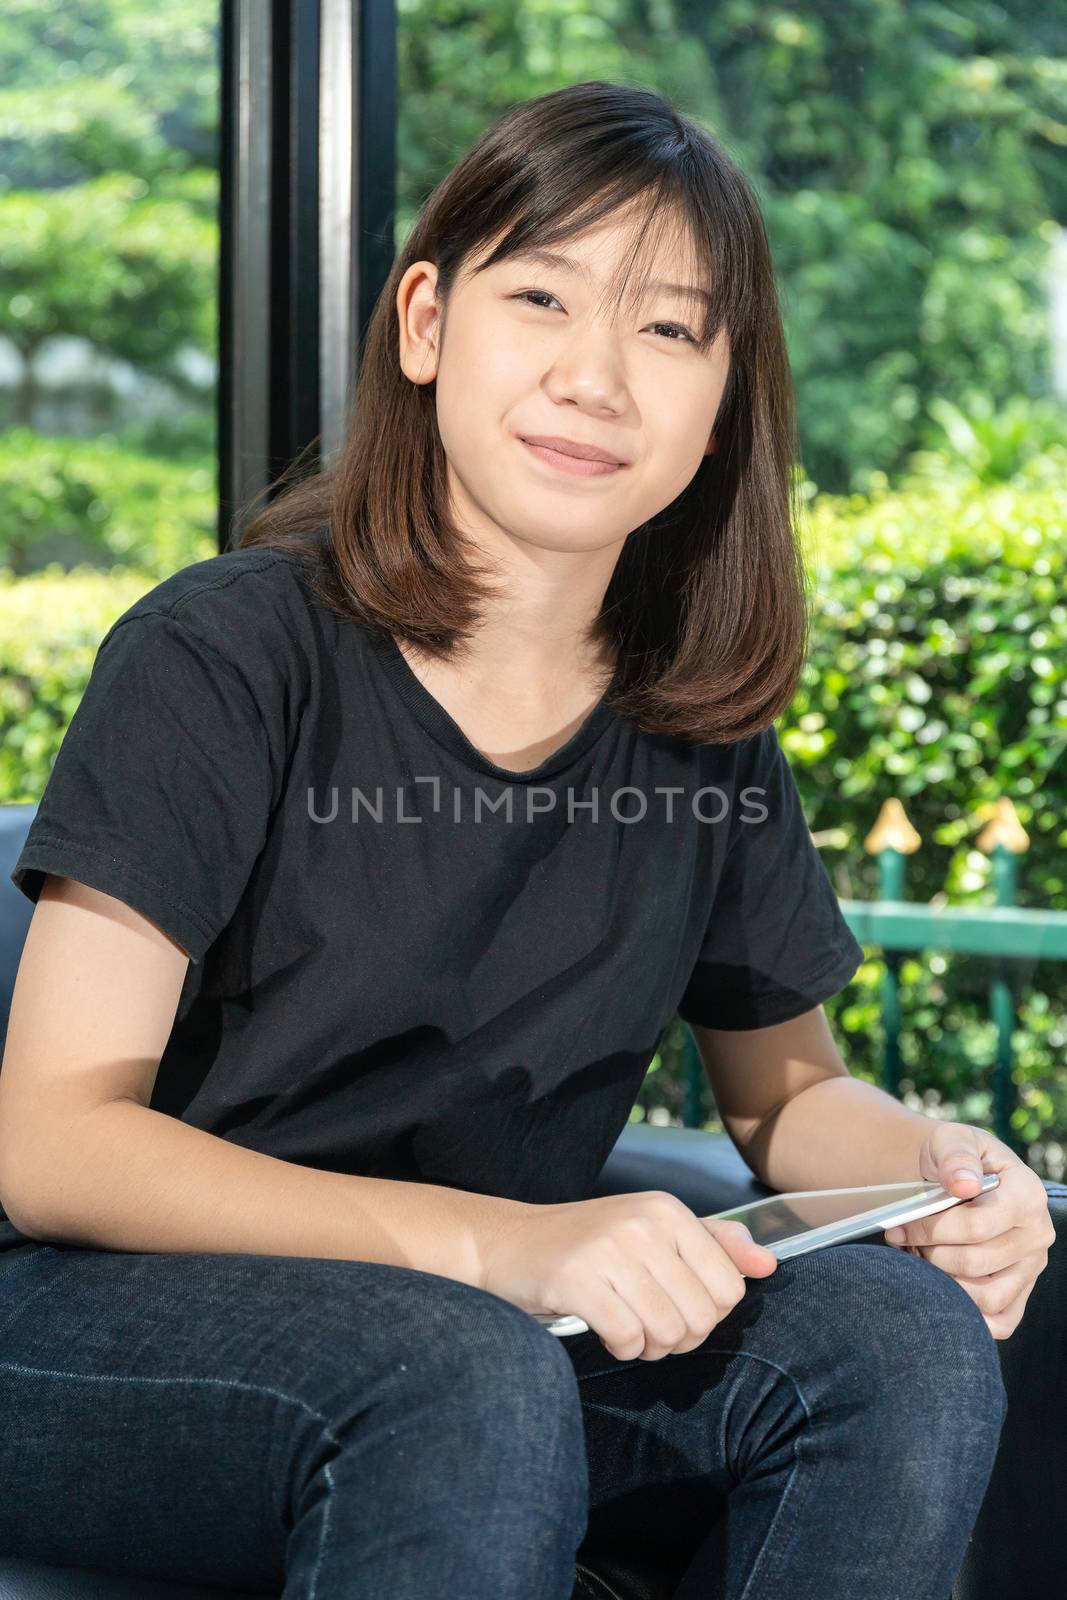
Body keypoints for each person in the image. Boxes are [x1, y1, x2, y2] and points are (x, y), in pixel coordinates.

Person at [0, 78, 1044, 1600]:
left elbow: (789, 1095)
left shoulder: (699, 724)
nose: (596, 377)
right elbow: (52, 1145)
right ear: (424, 325)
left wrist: (935, 1172)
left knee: (899, 1346)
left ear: (726, 396)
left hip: (487, 1324)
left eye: (670, 329)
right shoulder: (225, 654)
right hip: (107, 1321)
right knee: (462, 1376)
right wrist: (503, 1248)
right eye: (541, 296)